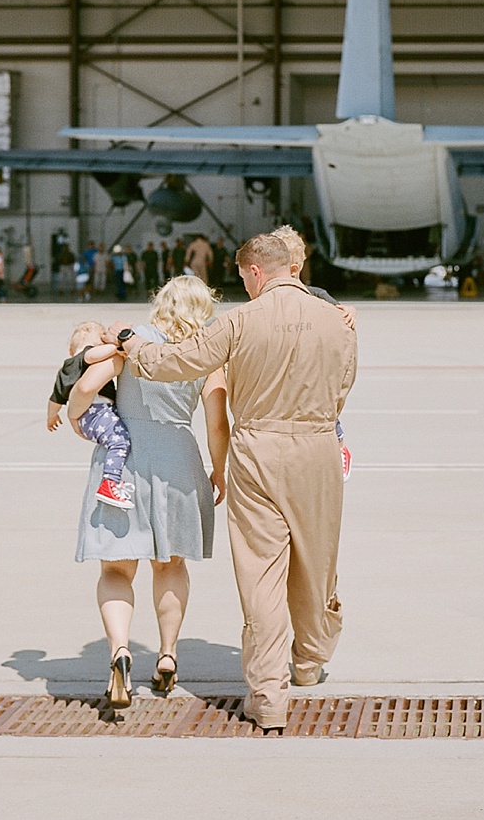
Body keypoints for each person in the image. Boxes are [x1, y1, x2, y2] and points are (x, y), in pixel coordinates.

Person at [120, 234, 356, 732]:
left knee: (262, 576)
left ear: (253, 273)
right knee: (317, 562)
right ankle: (310, 659)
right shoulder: (339, 321)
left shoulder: (237, 321)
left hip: (258, 452)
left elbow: (172, 364)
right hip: (316, 449)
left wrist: (132, 343)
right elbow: (342, 386)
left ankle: (269, 699)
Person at [64, 276, 229, 712]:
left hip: (127, 457)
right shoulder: (207, 354)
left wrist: (78, 419)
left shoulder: (132, 344)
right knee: (169, 563)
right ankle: (168, 653)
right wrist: (220, 470)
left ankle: (120, 650)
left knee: (116, 569)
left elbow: (84, 386)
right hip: (178, 458)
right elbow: (217, 422)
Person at [271, 225, 353, 480]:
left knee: (323, 410)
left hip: (310, 370)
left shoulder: (316, 295)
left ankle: (339, 445)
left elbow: (341, 315)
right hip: (282, 371)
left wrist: (349, 311)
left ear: (294, 269)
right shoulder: (266, 299)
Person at [47, 322, 134, 509]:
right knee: (120, 441)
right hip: (97, 412)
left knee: (115, 441)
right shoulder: (85, 356)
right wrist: (118, 347)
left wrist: (52, 417)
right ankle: (110, 482)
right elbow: (93, 355)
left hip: (88, 417)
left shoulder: (66, 370)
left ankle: (114, 479)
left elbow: (55, 398)